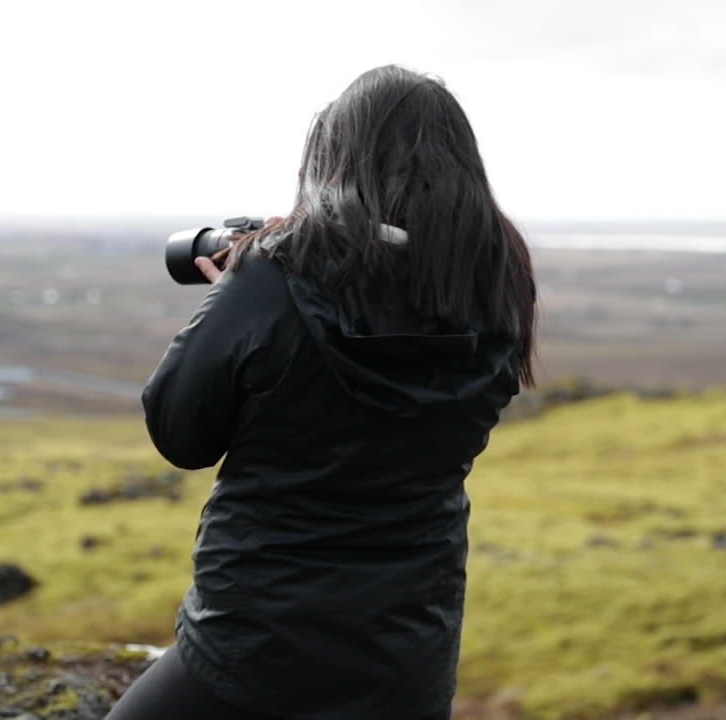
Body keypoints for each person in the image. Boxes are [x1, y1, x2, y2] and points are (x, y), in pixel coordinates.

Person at [104, 64, 537, 720]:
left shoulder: (272, 287)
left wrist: (245, 281)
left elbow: (179, 433)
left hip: (252, 648)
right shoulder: (496, 292)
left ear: (333, 166)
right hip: (405, 657)